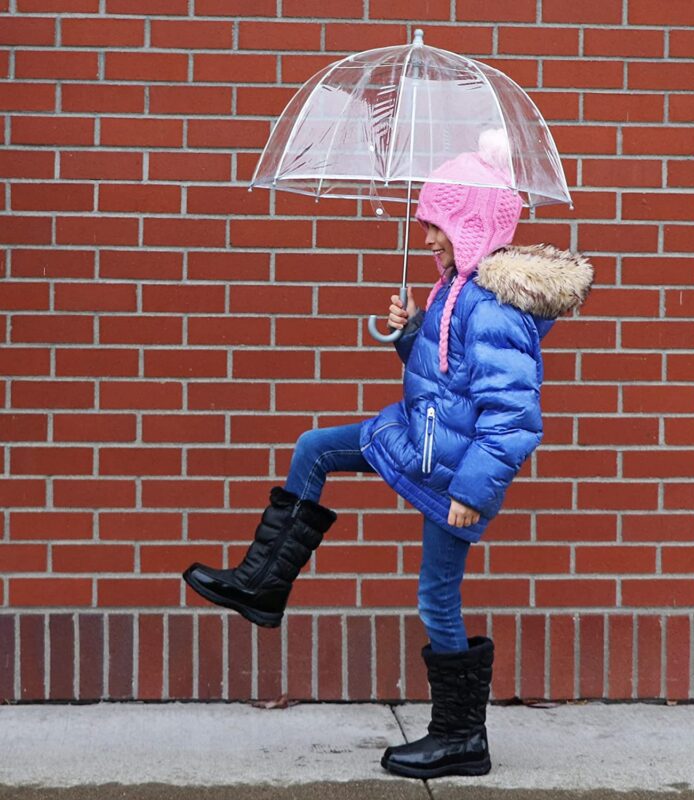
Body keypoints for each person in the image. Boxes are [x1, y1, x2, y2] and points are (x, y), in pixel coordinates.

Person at [183, 128, 594, 780]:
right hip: (416, 436)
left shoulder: (492, 307)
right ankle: (263, 583)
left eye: (437, 223)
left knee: (436, 599)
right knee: (315, 449)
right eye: (426, 222)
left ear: (470, 224)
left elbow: (514, 420)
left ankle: (460, 738)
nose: (426, 236)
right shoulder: (454, 290)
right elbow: (442, 375)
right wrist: (408, 333)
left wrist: (472, 492)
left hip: (453, 472)